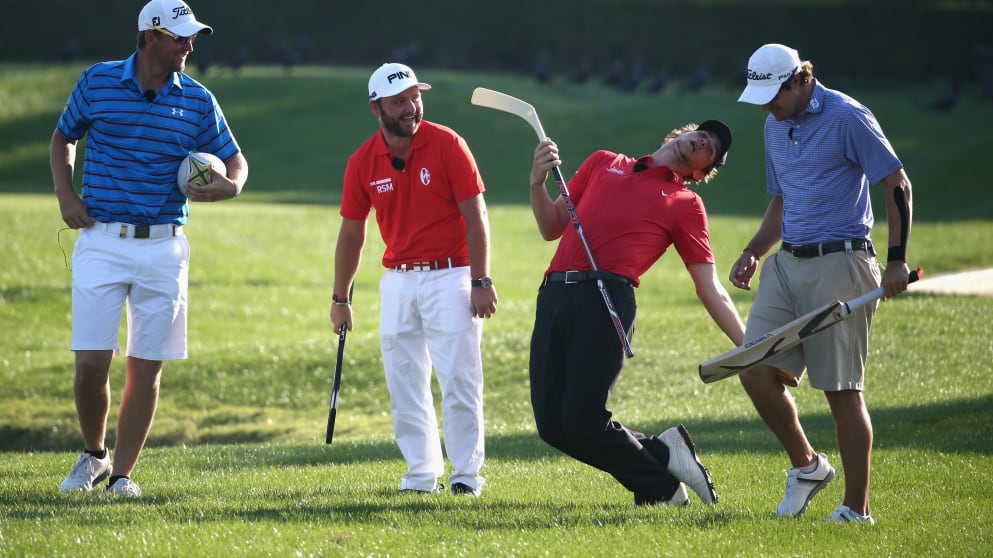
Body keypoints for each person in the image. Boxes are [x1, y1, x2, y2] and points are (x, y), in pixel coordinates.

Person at [51, 0, 248, 497]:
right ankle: (94, 454)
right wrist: (66, 196)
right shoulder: (97, 81)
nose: (189, 45)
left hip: (164, 246)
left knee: (146, 366)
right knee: (91, 363)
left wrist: (231, 187)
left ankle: (122, 475)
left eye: (192, 36)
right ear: (149, 37)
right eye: (180, 36)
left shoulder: (198, 99)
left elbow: (235, 160)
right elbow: (63, 138)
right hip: (101, 239)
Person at [731, 43, 914, 525]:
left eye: (773, 96)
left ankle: (857, 510)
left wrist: (897, 260)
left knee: (840, 391)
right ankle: (808, 467)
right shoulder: (774, 124)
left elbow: (897, 184)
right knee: (754, 368)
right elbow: (782, 200)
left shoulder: (848, 116)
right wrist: (754, 250)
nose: (767, 107)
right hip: (787, 264)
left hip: (842, 262)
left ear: (800, 80)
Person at [527, 120, 745, 506]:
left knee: (583, 421)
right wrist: (537, 182)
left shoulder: (686, 203)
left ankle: (661, 489)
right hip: (554, 293)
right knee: (552, 425)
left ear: (700, 173)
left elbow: (708, 286)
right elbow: (551, 227)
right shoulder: (603, 162)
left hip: (606, 300)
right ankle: (664, 454)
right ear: (681, 132)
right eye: (702, 134)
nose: (703, 141)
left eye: (710, 149)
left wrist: (748, 344)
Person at [330, 63, 497, 497]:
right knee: (404, 382)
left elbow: (476, 215)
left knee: (459, 379)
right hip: (399, 281)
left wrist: (481, 280)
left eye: (415, 97)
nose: (411, 107)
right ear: (376, 108)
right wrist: (340, 298)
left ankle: (466, 476)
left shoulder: (448, 144)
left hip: (452, 274)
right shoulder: (362, 161)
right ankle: (421, 476)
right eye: (399, 101)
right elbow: (351, 234)